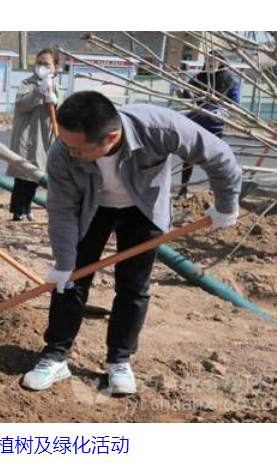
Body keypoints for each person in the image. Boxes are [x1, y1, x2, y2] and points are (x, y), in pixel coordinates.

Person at [21, 92, 242, 394]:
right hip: (91, 209)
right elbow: (61, 208)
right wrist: (63, 263)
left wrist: (226, 206)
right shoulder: (63, 149)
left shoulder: (159, 127)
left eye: (78, 149)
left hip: (143, 209)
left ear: (111, 137)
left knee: (133, 287)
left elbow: (218, 155)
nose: (69, 151)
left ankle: (119, 360)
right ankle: (56, 355)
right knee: (71, 280)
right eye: (67, 144)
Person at [176, 52, 241, 199]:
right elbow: (187, 95)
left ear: (221, 62)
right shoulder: (198, 78)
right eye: (208, 60)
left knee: (213, 160)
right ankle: (183, 189)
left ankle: (214, 190)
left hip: (214, 127)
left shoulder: (229, 82)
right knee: (188, 158)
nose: (211, 63)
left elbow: (234, 104)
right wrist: (181, 92)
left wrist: (221, 112)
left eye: (214, 60)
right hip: (194, 123)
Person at [7, 48, 61, 221]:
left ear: (55, 67)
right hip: (28, 136)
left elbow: (60, 114)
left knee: (36, 176)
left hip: (44, 138)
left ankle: (27, 208)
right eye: (39, 63)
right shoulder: (27, 83)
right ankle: (18, 211)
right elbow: (21, 105)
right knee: (24, 176)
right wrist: (39, 91)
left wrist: (56, 100)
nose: (41, 67)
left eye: (46, 64)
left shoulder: (56, 86)